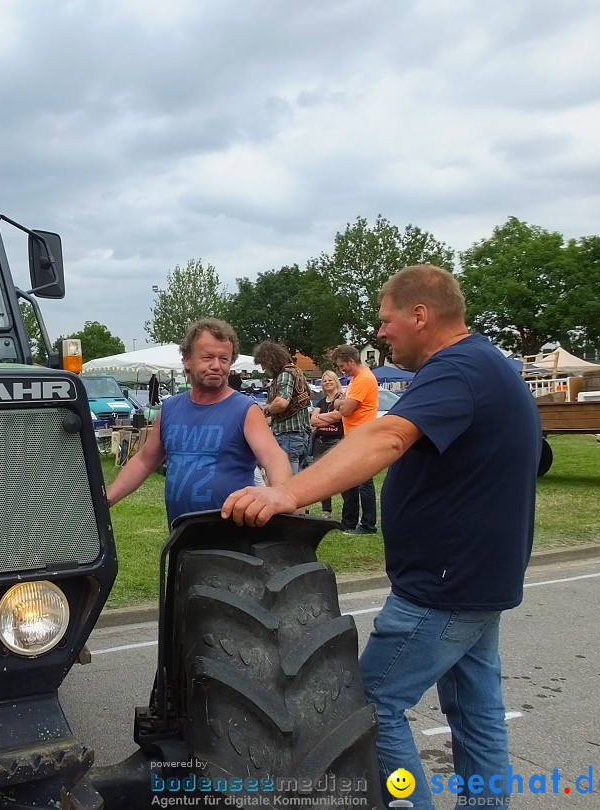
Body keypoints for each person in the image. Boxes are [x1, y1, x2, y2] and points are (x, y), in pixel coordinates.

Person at [220, 265, 541, 809]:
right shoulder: (487, 364)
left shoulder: (458, 368)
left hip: (444, 586)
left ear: (421, 315)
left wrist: (287, 493)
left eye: (386, 320)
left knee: (370, 704)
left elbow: (387, 435)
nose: (380, 333)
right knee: (477, 713)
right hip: (479, 581)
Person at [106, 318, 291, 525]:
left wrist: (283, 495)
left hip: (234, 539)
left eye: (224, 359)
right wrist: (106, 501)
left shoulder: (246, 410)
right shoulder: (169, 409)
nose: (216, 366)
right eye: (207, 357)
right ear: (187, 360)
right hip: (181, 537)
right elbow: (144, 461)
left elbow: (274, 457)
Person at [331, 344, 379, 534]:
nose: (342, 370)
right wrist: (340, 403)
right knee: (350, 480)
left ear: (352, 361)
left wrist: (339, 403)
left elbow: (345, 409)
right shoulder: (356, 379)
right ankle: (349, 521)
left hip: (362, 435)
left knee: (363, 481)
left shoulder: (363, 379)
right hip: (354, 436)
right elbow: (341, 404)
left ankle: (368, 525)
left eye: (343, 366)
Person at [254, 342, 312, 474]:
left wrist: (265, 411)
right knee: (296, 482)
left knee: (287, 485)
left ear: (270, 360)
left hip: (288, 436)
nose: (263, 368)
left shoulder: (285, 374)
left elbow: (282, 402)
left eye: (263, 363)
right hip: (299, 436)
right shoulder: (296, 371)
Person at [309, 369, 344, 518]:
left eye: (330, 379)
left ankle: (348, 514)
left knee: (341, 476)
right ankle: (326, 510)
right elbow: (312, 421)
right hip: (320, 441)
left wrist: (321, 417)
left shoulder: (342, 398)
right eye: (325, 381)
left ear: (336, 381)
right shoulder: (321, 401)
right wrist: (328, 418)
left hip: (336, 441)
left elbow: (338, 415)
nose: (327, 382)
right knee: (321, 477)